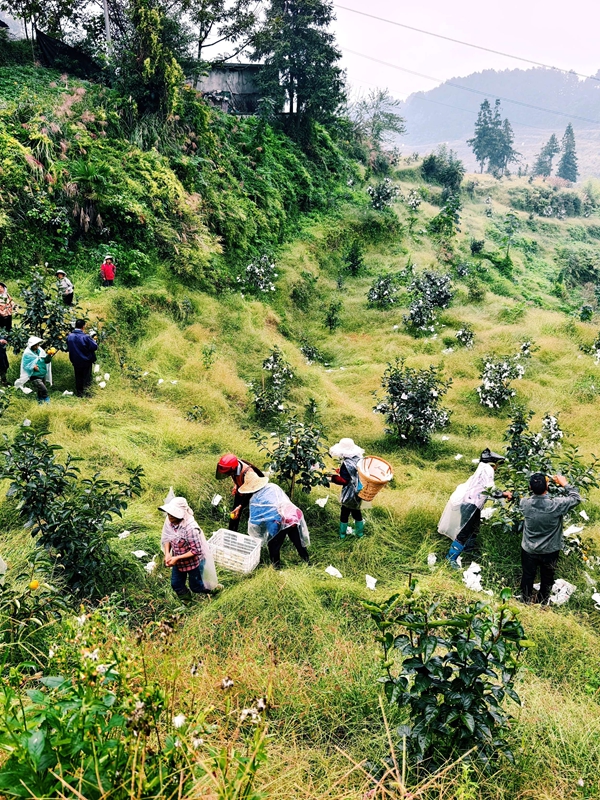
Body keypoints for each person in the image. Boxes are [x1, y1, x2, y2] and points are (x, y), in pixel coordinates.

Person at [439, 448, 512, 566]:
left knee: (474, 528)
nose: (497, 467)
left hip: (468, 503)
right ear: (493, 464)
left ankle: (468, 550)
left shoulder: (482, 468)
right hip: (471, 505)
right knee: (465, 530)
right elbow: (490, 489)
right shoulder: (488, 470)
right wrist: (505, 494)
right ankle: (451, 557)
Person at [520, 473, 581, 604]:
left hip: (529, 549)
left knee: (527, 575)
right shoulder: (557, 505)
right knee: (547, 578)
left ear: (530, 487)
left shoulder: (524, 503)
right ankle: (543, 601)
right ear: (547, 486)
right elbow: (576, 498)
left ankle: (525, 600)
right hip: (550, 550)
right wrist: (564, 483)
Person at [239, 472, 310, 569]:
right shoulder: (273, 487)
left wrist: (257, 538)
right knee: (297, 540)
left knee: (273, 545)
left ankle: (276, 569)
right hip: (291, 517)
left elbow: (255, 523)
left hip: (278, 524)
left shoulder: (255, 500)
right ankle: (306, 560)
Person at [159, 494, 220, 599]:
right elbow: (167, 538)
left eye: (173, 513)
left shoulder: (191, 528)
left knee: (196, 587)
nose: (170, 516)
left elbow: (196, 551)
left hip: (193, 563)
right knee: (176, 584)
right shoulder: (169, 521)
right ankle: (187, 602)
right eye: (169, 513)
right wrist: (167, 554)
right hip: (178, 561)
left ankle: (215, 589)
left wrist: (176, 558)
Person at [215, 453, 265, 532]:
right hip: (242, 489)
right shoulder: (234, 467)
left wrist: (241, 506)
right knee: (234, 513)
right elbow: (234, 475)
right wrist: (236, 485)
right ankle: (231, 532)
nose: (227, 475)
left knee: (254, 516)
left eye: (228, 473)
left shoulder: (249, 473)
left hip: (253, 493)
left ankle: (256, 534)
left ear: (233, 469)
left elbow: (250, 493)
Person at [328, 437, 366, 540]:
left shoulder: (346, 463)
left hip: (349, 492)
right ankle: (360, 534)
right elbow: (354, 473)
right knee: (356, 511)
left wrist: (333, 478)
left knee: (344, 512)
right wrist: (341, 471)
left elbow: (344, 480)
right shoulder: (359, 459)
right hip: (359, 490)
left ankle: (342, 534)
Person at [15, 336, 55, 403]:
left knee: (40, 389)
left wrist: (49, 355)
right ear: (31, 345)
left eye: (38, 344)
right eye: (35, 345)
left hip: (42, 373)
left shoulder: (40, 351)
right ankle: (46, 400)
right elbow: (25, 365)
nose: (37, 346)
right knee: (43, 389)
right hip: (34, 375)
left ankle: (40, 401)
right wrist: (33, 367)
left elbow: (46, 361)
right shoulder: (27, 354)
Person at [67, 319, 98, 397]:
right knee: (87, 378)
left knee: (78, 377)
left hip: (75, 360)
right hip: (85, 360)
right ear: (83, 326)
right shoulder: (85, 337)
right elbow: (94, 347)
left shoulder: (70, 336)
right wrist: (93, 340)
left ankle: (79, 394)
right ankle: (87, 394)